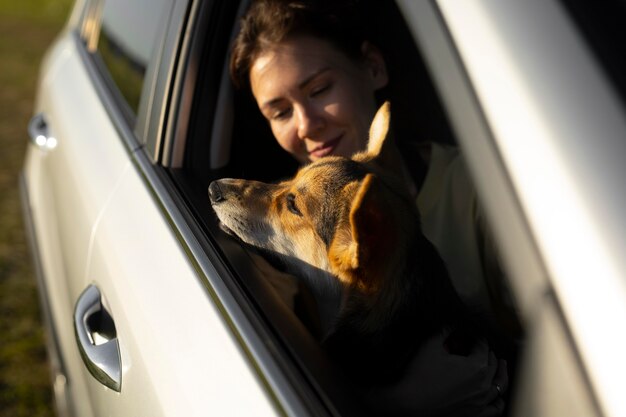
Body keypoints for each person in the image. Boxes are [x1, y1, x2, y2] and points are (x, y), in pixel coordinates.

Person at [230, 0, 519, 415]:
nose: (306, 125)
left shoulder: (481, 192)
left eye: (319, 90)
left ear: (372, 67)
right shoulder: (276, 248)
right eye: (279, 112)